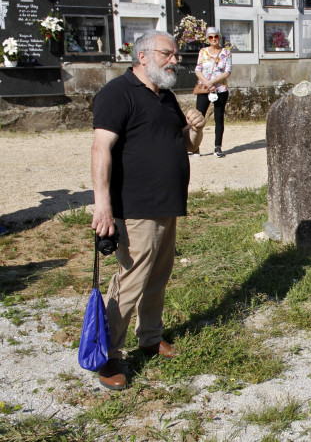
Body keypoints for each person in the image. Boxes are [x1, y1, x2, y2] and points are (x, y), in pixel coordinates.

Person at [91, 30, 206, 390]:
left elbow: (185, 145)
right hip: (137, 207)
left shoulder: (167, 97)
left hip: (167, 204)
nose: (176, 61)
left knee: (158, 277)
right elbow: (100, 149)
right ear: (142, 56)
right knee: (131, 281)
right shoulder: (117, 94)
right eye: (167, 54)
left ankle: (150, 336)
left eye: (177, 55)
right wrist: (103, 205)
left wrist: (197, 129)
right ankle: (109, 354)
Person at [193, 27, 232, 158]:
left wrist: (213, 81)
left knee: (219, 118)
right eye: (211, 37)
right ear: (207, 38)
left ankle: (218, 147)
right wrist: (207, 83)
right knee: (198, 118)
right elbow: (198, 69)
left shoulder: (226, 52)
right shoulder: (203, 52)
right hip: (204, 88)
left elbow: (227, 71)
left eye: (216, 36)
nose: (214, 39)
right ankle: (194, 147)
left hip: (220, 89)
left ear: (219, 38)